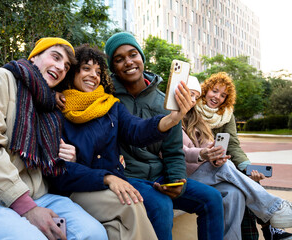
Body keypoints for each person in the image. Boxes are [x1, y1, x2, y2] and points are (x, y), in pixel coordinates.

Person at [0, 38, 108, 240]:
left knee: (94, 234)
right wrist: (27, 207)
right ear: (34, 57)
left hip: (39, 196)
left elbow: (49, 163)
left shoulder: (49, 104)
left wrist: (68, 157)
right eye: (55, 57)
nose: (60, 67)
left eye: (66, 66)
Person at [49, 43, 194, 240]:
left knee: (120, 228)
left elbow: (137, 130)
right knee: (132, 205)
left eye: (98, 71)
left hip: (111, 186)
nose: (93, 75)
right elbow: (60, 169)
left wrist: (171, 119)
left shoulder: (110, 106)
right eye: (86, 69)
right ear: (73, 72)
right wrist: (107, 178)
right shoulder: (57, 109)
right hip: (77, 188)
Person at [105, 32, 224, 240]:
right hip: (127, 177)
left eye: (133, 54)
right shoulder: (106, 98)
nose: (128, 62)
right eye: (119, 59)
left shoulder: (165, 103)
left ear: (142, 58)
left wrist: (178, 181)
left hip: (158, 176)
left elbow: (173, 151)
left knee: (212, 198)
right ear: (112, 66)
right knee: (161, 204)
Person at [182, 75, 292, 239]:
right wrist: (207, 155)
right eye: (214, 91)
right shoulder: (189, 111)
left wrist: (247, 167)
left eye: (223, 95)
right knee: (235, 175)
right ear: (205, 92)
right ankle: (274, 210)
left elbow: (232, 144)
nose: (217, 97)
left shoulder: (225, 115)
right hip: (196, 168)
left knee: (238, 188)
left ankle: (264, 231)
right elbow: (182, 150)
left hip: (216, 162)